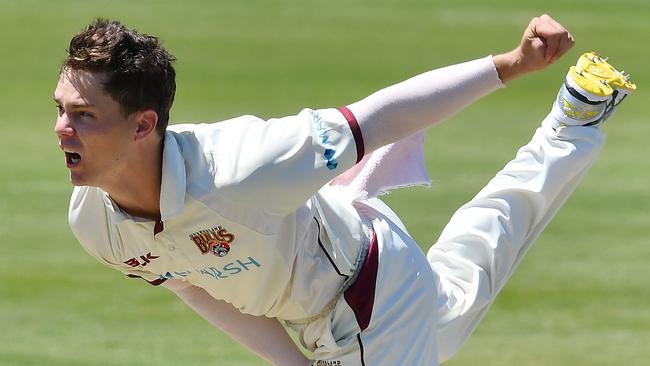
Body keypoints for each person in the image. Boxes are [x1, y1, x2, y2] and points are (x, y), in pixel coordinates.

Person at [54, 14, 635, 366]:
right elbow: (188, 279)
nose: (61, 129)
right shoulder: (94, 226)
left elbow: (377, 118)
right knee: (462, 291)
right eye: (60, 109)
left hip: (361, 304)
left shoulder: (241, 164)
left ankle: (569, 122)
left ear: (143, 125)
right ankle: (572, 123)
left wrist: (510, 64)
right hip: (356, 269)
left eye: (83, 115)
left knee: (447, 308)